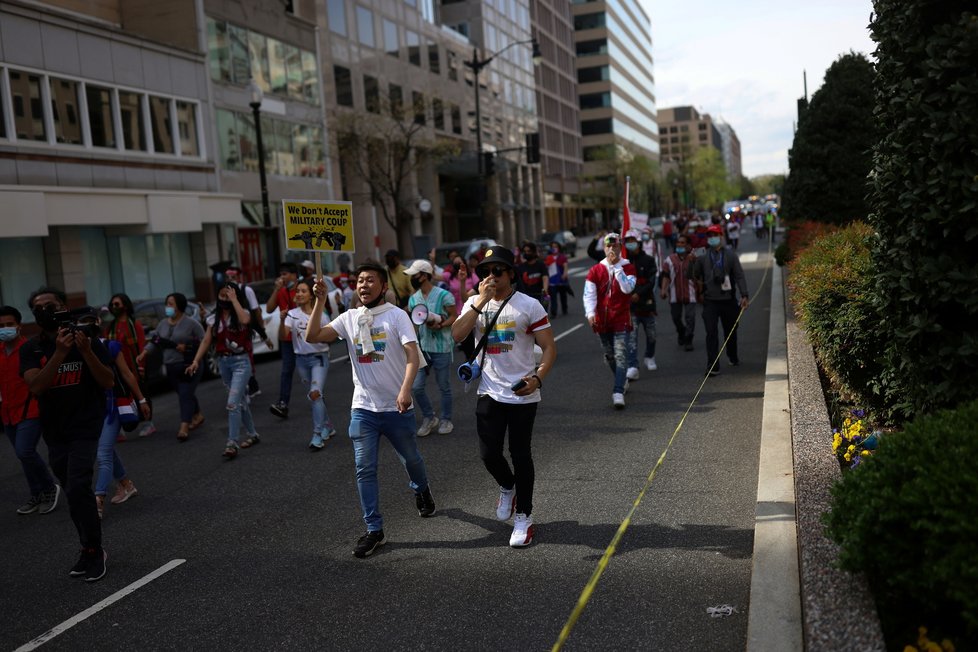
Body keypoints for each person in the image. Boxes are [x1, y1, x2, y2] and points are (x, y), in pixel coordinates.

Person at [306, 261, 435, 559]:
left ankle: (421, 488)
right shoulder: (349, 318)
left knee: (412, 459)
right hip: (363, 407)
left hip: (396, 407)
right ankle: (374, 529)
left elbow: (412, 358)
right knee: (364, 468)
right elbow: (313, 336)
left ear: (384, 286)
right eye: (360, 281)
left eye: (370, 280)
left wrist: (404, 390)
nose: (363, 285)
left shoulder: (397, 316)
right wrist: (320, 301)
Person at [451, 246, 556, 548]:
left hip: (522, 392)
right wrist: (479, 301)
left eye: (498, 270)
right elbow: (457, 335)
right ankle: (507, 485)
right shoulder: (475, 302)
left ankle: (524, 516)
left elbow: (549, 348)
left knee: (521, 454)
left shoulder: (529, 305)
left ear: (511, 273)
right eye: (485, 271)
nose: (491, 276)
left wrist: (537, 377)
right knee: (489, 454)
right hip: (489, 390)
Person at [21, 288, 115, 582]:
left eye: (52, 305)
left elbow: (108, 381)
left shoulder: (85, 338)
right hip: (55, 430)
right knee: (73, 491)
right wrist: (60, 352)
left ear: (64, 307)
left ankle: (95, 550)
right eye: (39, 307)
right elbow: (36, 387)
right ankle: (87, 548)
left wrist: (85, 350)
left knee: (77, 485)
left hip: (85, 425)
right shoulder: (32, 348)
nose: (46, 310)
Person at [87, 311, 150, 519]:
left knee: (103, 453)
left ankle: (98, 499)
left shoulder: (109, 346)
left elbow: (127, 374)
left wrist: (141, 400)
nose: (84, 327)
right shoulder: (73, 351)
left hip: (111, 407)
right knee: (106, 450)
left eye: (88, 322)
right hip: (90, 410)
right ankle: (126, 485)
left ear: (96, 324)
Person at [0, 305, 60, 515]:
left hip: (31, 410)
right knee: (23, 455)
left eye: (9, 324)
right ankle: (36, 493)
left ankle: (49, 488)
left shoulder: (30, 348)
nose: (5, 329)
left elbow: (45, 377)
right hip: (8, 413)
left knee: (24, 451)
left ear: (18, 326)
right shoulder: (0, 352)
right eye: (1, 326)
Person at [188, 284, 260, 458]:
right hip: (224, 363)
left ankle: (231, 442)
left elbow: (244, 320)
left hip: (241, 363)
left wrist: (234, 299)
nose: (225, 299)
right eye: (222, 295)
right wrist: (196, 360)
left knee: (232, 403)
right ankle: (253, 434)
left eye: (228, 295)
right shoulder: (214, 319)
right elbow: (206, 341)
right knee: (240, 401)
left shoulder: (243, 313)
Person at [137, 293, 206, 440]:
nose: (167, 307)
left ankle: (184, 426)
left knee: (185, 394)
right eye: (167, 303)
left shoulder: (191, 323)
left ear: (179, 306)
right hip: (171, 366)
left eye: (171, 304)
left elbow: (204, 340)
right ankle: (197, 415)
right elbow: (155, 341)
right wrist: (144, 353)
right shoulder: (162, 324)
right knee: (184, 393)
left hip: (189, 365)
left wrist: (188, 347)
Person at [584, 233, 637, 408]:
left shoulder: (628, 267)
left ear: (620, 247)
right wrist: (590, 314)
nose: (612, 249)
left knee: (621, 356)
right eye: (608, 246)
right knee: (609, 356)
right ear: (604, 248)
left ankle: (617, 391)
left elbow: (627, 288)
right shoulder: (595, 270)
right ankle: (621, 381)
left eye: (615, 246)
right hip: (601, 320)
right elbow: (589, 295)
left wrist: (617, 268)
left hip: (620, 318)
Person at [284, 279, 338, 450]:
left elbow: (332, 336)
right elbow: (282, 336)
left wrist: (316, 335)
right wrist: (281, 320)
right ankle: (328, 425)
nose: (299, 294)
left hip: (319, 358)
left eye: (303, 291)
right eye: (297, 291)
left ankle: (317, 434)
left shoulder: (321, 314)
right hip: (300, 360)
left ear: (311, 294)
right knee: (315, 396)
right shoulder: (291, 314)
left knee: (315, 394)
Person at [405, 260, 457, 437]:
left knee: (444, 386)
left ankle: (446, 419)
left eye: (415, 275)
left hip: (441, 347)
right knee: (416, 387)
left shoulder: (444, 295)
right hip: (422, 348)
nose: (412, 278)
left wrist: (442, 323)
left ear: (425, 275)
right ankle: (429, 417)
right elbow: (415, 324)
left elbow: (453, 316)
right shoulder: (413, 299)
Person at [691, 225, 749, 376]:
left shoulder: (730, 255)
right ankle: (713, 365)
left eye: (715, 235)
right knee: (711, 332)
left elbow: (739, 275)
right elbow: (694, 276)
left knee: (730, 330)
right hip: (710, 301)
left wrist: (744, 295)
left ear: (721, 236)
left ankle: (732, 355)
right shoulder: (703, 255)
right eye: (709, 236)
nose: (712, 238)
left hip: (728, 299)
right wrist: (693, 262)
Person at [105, 293, 156, 439]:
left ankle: (148, 424)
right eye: (112, 304)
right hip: (117, 369)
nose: (114, 307)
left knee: (142, 394)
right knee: (120, 397)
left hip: (134, 367)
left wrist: (141, 367)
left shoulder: (135, 325)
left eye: (117, 304)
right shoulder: (110, 328)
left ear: (125, 306)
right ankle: (118, 429)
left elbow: (141, 347)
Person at [225, 265, 269, 398]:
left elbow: (256, 310)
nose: (230, 279)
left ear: (239, 277)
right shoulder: (225, 290)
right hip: (232, 329)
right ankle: (241, 386)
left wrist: (262, 330)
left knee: (246, 356)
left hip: (245, 328)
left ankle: (252, 385)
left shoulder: (246, 289)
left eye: (233, 277)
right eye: (228, 277)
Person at [266, 262, 299, 419]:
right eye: (281, 274)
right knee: (286, 371)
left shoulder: (301, 290)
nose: (282, 277)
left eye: (285, 274)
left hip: (302, 336)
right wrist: (276, 290)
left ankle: (318, 400)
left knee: (308, 372)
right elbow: (269, 309)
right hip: (286, 337)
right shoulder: (281, 291)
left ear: (294, 275)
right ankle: (283, 403)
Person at [623, 230, 658, 375]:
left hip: (647, 304)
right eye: (628, 241)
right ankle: (633, 365)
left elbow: (651, 281)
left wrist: (638, 293)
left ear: (638, 242)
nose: (630, 244)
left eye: (633, 241)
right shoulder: (623, 262)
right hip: (631, 307)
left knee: (651, 335)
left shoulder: (649, 260)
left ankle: (649, 356)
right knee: (632, 337)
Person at [660, 235, 699, 352]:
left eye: (683, 243)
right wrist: (663, 290)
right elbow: (666, 276)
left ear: (688, 245)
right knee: (676, 318)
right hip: (674, 295)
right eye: (678, 243)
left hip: (690, 293)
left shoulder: (694, 259)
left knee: (690, 318)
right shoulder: (669, 260)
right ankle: (681, 331)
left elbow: (699, 276)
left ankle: (688, 340)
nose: (680, 245)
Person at [515, 242, 549, 308]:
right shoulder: (521, 267)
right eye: (525, 251)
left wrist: (545, 290)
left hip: (539, 296)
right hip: (526, 297)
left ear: (533, 252)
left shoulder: (541, 265)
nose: (526, 253)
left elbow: (545, 277)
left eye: (529, 251)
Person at [544, 241, 570, 318]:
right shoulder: (549, 257)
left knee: (563, 296)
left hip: (561, 280)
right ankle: (554, 312)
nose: (554, 248)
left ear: (558, 248)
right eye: (553, 247)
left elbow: (565, 265)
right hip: (552, 281)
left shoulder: (562, 257)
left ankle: (564, 309)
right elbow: (546, 267)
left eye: (556, 247)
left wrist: (565, 274)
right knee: (553, 298)